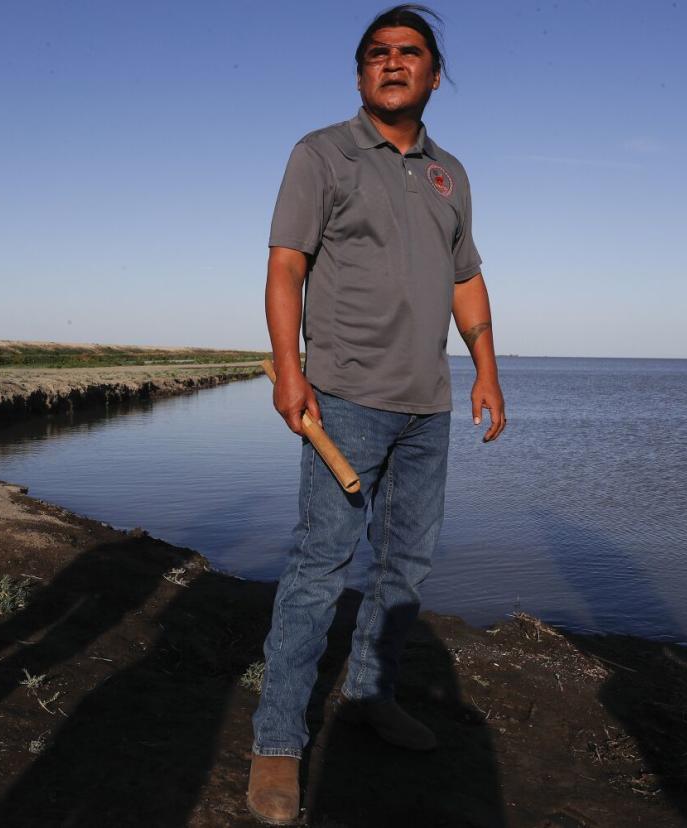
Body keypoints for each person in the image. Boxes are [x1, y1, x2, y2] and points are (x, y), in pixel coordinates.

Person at [247, 4, 506, 824]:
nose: (392, 63)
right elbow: (286, 268)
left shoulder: (450, 172)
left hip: (427, 405)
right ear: (361, 73)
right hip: (344, 399)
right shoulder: (321, 153)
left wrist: (487, 374)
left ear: (435, 73)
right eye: (376, 53)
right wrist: (291, 376)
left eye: (409, 52)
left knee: (405, 570)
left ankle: (369, 696)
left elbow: (466, 280)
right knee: (320, 570)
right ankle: (278, 743)